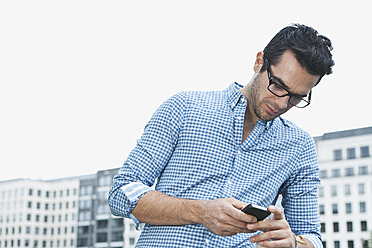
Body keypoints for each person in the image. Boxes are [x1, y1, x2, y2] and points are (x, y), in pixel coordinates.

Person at [108, 23, 334, 247]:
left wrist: (294, 243)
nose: (282, 103)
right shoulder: (184, 107)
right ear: (258, 62)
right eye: (278, 85)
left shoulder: (300, 146)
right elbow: (122, 193)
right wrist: (201, 211)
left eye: (296, 97)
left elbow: (311, 235)